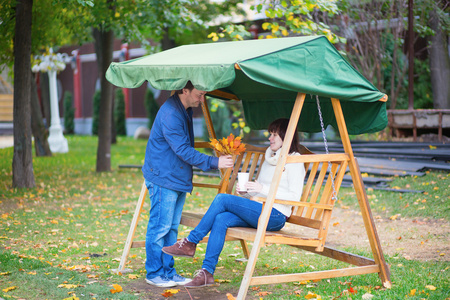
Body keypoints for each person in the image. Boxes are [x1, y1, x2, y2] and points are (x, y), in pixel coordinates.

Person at [162, 118, 306, 288]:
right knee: (221, 218)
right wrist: (248, 190)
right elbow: (260, 190)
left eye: (274, 135)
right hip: (260, 210)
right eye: (270, 134)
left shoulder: (295, 161)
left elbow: (294, 197)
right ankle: (207, 272)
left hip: (275, 215)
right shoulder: (271, 158)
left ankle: (191, 242)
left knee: (222, 199)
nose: (270, 138)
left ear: (286, 136)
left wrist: (262, 188)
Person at [142, 81, 234, 287]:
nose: (202, 100)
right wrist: (214, 162)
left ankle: (168, 272)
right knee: (160, 228)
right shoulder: (171, 114)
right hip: (164, 177)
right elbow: (183, 150)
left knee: (172, 229)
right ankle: (154, 273)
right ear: (185, 90)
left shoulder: (183, 109)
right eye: (200, 95)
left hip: (175, 177)